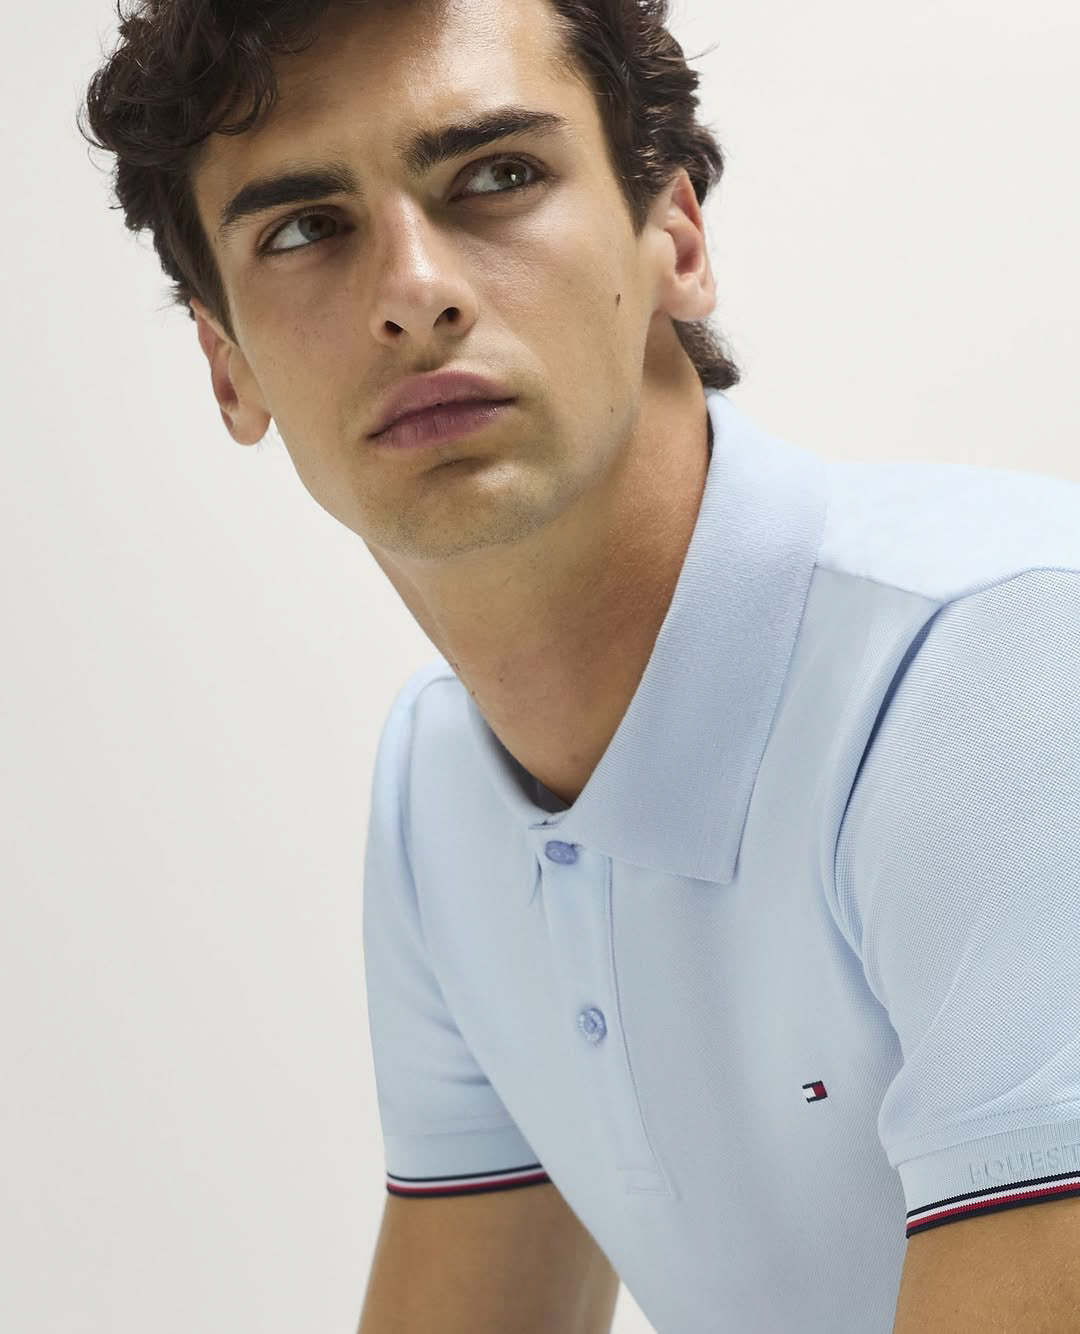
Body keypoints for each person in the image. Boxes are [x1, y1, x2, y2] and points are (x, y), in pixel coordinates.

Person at [78, 2, 1080, 1331]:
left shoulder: (1002, 664)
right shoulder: (445, 785)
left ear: (676, 239)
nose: (412, 290)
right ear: (228, 367)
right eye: (306, 229)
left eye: (497, 174)